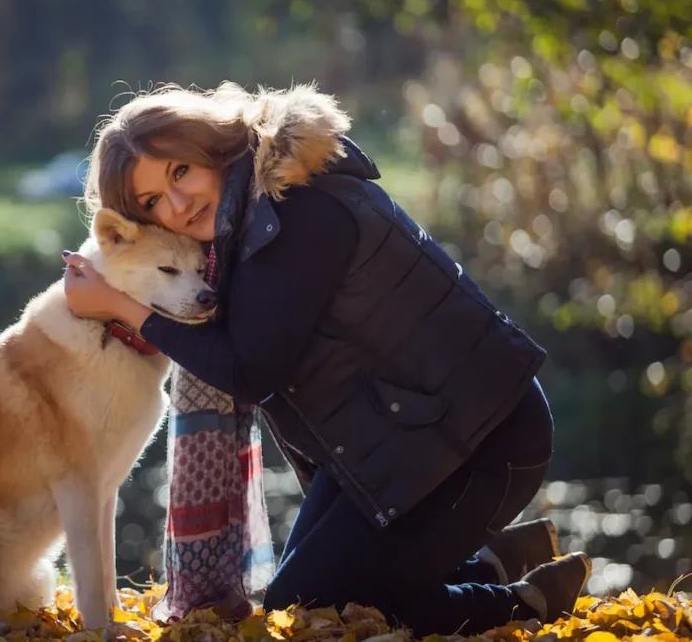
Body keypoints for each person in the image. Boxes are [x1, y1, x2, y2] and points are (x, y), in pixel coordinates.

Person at [61, 82, 591, 636]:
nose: (177, 203)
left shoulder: (291, 213)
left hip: (484, 437)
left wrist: (120, 305)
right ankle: (492, 562)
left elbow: (249, 372)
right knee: (309, 600)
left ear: (210, 146)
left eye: (179, 172)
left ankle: (522, 604)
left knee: (313, 609)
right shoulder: (241, 228)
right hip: (399, 440)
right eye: (150, 203)